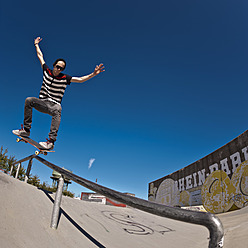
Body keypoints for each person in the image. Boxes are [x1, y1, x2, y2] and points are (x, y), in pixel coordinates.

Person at [12, 37, 105, 150]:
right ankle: (26, 130)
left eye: (61, 68)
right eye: (57, 66)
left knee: (58, 109)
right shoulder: (46, 71)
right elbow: (40, 56)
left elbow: (80, 80)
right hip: (42, 103)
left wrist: (93, 74)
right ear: (54, 65)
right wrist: (36, 45)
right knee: (29, 100)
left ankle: (51, 141)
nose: (58, 69)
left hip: (53, 105)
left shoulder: (65, 78)